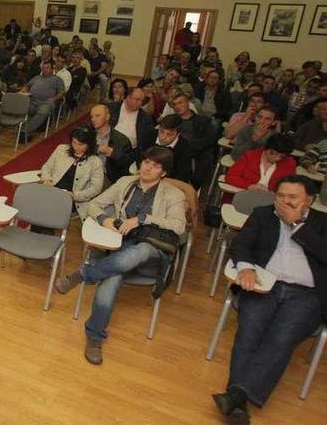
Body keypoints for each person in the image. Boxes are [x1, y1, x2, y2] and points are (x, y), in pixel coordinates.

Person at [54, 147, 186, 365]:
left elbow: (179, 226)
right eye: (146, 162)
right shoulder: (126, 182)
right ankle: (94, 337)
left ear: (163, 173)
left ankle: (82, 274)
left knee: (140, 251)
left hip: (151, 252)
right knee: (112, 276)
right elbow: (94, 204)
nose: (147, 168)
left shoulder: (174, 194)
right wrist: (105, 219)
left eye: (155, 166)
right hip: (119, 250)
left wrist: (143, 218)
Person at [212, 175, 326, 424]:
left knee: (282, 336)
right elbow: (241, 243)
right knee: (249, 330)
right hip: (265, 285)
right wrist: (245, 267)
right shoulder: (263, 214)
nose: (285, 201)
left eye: (292, 197)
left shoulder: (322, 222)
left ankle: (236, 396)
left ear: (309, 200)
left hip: (307, 294)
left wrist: (298, 226)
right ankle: (239, 403)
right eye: (280, 196)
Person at [40, 126, 105, 218]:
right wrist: (46, 179)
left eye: (80, 144)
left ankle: (41, 228)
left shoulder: (95, 162)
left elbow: (96, 188)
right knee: (39, 204)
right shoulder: (61, 149)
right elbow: (47, 167)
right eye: (74, 142)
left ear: (89, 144)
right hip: (52, 190)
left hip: (72, 199)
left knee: (47, 209)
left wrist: (76, 195)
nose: (76, 147)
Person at [170, 92, 216, 189]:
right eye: (174, 104)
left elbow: (208, 141)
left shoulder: (202, 121)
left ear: (188, 103)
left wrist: (186, 146)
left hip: (194, 155)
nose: (177, 106)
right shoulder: (171, 121)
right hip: (172, 153)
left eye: (180, 103)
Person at [226, 134, 297, 192]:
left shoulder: (290, 164)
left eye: (282, 156)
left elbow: (289, 187)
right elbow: (231, 176)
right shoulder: (250, 156)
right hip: (244, 194)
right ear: (266, 148)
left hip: (271, 201)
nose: (277, 158)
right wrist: (249, 186)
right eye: (274, 153)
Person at [109, 88, 156, 165]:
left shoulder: (146, 118)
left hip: (128, 155)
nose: (139, 103)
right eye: (137, 99)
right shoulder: (112, 108)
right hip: (108, 146)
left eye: (142, 101)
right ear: (128, 97)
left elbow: (148, 143)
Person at [21, 60, 65, 140]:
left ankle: (25, 130)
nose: (44, 70)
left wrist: (54, 98)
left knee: (43, 111)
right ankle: (24, 128)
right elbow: (27, 86)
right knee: (22, 107)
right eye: (43, 68)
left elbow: (62, 92)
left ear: (52, 69)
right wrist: (24, 90)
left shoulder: (57, 79)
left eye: (47, 68)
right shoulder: (37, 77)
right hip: (32, 100)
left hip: (46, 102)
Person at [90, 104, 132, 184]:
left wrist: (112, 153)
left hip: (106, 176)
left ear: (107, 117)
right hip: (86, 172)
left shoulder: (122, 140)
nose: (93, 119)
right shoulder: (88, 133)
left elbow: (125, 165)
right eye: (92, 116)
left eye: (97, 116)